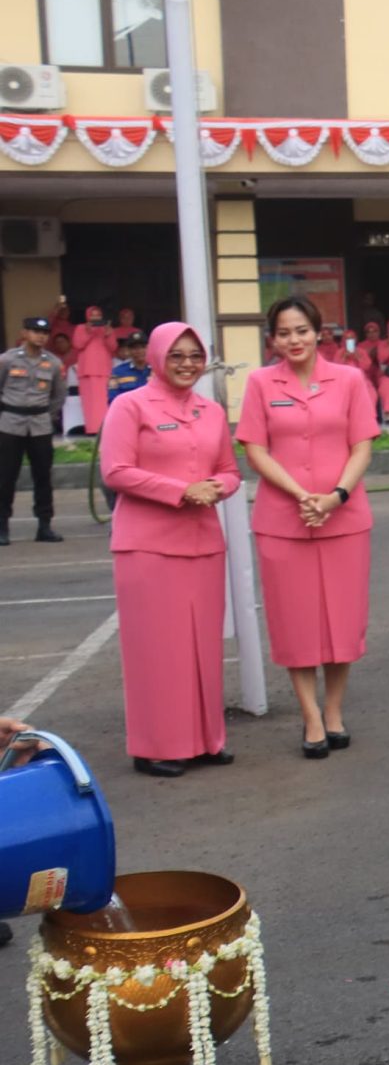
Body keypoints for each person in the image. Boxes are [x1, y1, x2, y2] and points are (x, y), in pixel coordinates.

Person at [237, 294, 381, 758]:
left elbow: (361, 445)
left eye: (301, 330)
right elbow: (255, 449)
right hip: (284, 521)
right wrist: (301, 496)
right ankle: (311, 717)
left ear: (319, 332)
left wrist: (336, 496)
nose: (294, 339)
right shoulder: (260, 383)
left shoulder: (349, 380)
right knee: (296, 624)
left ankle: (335, 711)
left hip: (344, 519)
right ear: (272, 339)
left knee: (342, 621)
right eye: (284, 332)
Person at [98, 322, 239, 778]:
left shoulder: (212, 411)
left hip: (202, 543)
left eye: (194, 356)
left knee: (202, 646)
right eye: (176, 355)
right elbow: (116, 470)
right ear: (157, 357)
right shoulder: (130, 404)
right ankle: (157, 745)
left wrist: (217, 486)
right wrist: (181, 490)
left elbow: (229, 470)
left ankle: (204, 739)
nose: (186, 364)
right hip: (148, 545)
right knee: (157, 650)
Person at [0, 316, 67, 544]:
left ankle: (44, 526)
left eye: (45, 332)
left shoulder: (54, 364)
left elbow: (58, 396)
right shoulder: (7, 360)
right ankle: (2, 527)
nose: (41, 336)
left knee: (43, 478)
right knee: (5, 477)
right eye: (36, 331)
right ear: (24, 333)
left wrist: (46, 416)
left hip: (39, 425)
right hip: (10, 423)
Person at [68, 301, 117, 436]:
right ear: (87, 317)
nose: (95, 318)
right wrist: (89, 332)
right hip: (87, 371)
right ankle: (92, 429)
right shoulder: (80, 328)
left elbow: (113, 347)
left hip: (103, 370)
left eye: (98, 315)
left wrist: (108, 334)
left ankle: (105, 428)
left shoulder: (106, 329)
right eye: (92, 315)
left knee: (103, 401)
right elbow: (78, 344)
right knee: (90, 403)